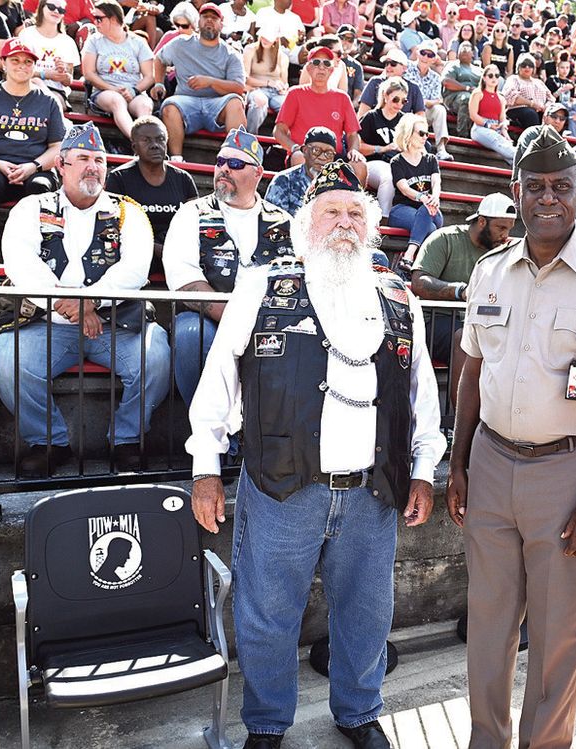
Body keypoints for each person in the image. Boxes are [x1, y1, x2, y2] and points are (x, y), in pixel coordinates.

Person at [188, 160, 446, 749]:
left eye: (356, 212)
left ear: (373, 226)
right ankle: (267, 724)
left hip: (373, 493)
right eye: (330, 211)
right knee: (266, 615)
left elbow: (420, 397)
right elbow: (218, 381)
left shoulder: (400, 298)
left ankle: (358, 713)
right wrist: (206, 468)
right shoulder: (261, 286)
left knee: (366, 615)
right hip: (282, 488)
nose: (344, 222)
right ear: (306, 225)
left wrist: (424, 471)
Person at [446, 126, 576, 749]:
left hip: (571, 471)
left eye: (560, 186)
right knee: (487, 624)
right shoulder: (489, 271)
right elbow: (470, 374)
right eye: (534, 186)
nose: (547, 198)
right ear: (515, 191)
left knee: (560, 632)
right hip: (489, 463)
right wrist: (457, 464)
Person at [0, 123, 170, 477]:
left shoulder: (127, 212)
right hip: (44, 321)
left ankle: (127, 439)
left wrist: (91, 304)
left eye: (99, 160)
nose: (93, 166)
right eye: (83, 158)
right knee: (8, 361)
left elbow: (134, 269)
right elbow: (22, 265)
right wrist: (65, 304)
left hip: (115, 321)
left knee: (157, 354)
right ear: (61, 164)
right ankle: (49, 443)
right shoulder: (30, 208)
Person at [164, 128, 293, 406]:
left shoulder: (283, 221)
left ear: (258, 174)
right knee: (191, 337)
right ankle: (205, 431)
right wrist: (236, 320)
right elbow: (184, 279)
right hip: (209, 319)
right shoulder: (192, 213)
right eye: (220, 162)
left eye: (235, 164)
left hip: (269, 319)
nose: (224, 169)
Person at [411, 192, 516, 408]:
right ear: (481, 221)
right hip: (437, 321)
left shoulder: (503, 252)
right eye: (501, 228)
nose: (505, 235)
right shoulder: (445, 238)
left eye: (509, 229)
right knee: (464, 337)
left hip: (481, 322)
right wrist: (461, 291)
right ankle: (459, 420)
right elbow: (419, 283)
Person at [0, 38, 65, 243]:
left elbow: (58, 146)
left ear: (35, 66)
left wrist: (33, 166)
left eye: (28, 62)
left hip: (37, 168)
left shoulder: (48, 100)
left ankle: (39, 253)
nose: (22, 65)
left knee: (39, 187)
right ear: (3, 63)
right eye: (15, 60)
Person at [152, 3, 245, 160]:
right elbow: (159, 59)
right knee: (169, 105)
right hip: (186, 101)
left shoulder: (231, 54)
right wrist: (159, 83)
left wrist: (210, 82)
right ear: (198, 22)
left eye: (214, 18)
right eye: (205, 17)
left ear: (221, 24)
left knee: (236, 102)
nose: (209, 20)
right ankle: (176, 159)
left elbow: (238, 88)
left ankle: (235, 158)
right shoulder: (180, 43)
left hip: (217, 104)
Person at [104, 115, 198, 268]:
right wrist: (155, 248)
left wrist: (172, 250)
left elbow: (193, 224)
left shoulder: (183, 179)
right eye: (146, 140)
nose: (155, 145)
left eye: (160, 139)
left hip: (176, 252)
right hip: (133, 252)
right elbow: (113, 226)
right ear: (134, 147)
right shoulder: (119, 178)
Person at [275, 46, 366, 183]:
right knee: (300, 157)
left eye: (327, 63)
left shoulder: (342, 98)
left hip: (334, 157)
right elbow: (279, 131)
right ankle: (304, 203)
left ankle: (354, 204)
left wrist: (354, 150)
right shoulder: (295, 94)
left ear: (331, 70)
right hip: (305, 154)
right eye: (317, 63)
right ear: (309, 68)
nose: (322, 67)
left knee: (360, 165)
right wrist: (294, 148)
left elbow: (352, 134)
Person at [82, 1, 155, 140]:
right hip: (105, 91)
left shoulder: (138, 42)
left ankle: (145, 140)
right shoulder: (94, 41)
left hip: (134, 91)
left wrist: (134, 90)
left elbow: (149, 76)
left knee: (145, 106)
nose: (95, 22)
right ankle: (138, 141)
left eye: (99, 19)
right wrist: (112, 88)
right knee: (117, 100)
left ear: (114, 19)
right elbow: (88, 73)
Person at [389, 113, 443, 268]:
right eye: (421, 133)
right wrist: (422, 197)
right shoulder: (397, 162)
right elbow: (404, 189)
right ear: (408, 134)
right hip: (402, 210)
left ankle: (408, 255)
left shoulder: (431, 159)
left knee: (427, 212)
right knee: (431, 228)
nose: (425, 137)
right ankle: (416, 259)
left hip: (430, 210)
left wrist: (435, 197)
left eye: (427, 133)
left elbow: (436, 182)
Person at [17, 0, 81, 112]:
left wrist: (63, 74)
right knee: (36, 82)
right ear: (42, 7)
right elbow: (19, 70)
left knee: (48, 99)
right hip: (26, 86)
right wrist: (45, 74)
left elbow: (68, 81)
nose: (56, 11)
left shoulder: (67, 42)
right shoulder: (27, 34)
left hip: (56, 91)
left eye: (61, 10)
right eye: (51, 7)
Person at [356, 80, 407, 217]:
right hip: (374, 163)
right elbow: (357, 147)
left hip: (399, 164)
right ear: (385, 96)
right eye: (395, 99)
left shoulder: (405, 121)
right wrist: (383, 148)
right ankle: (383, 217)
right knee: (388, 176)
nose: (399, 105)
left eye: (404, 101)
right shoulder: (371, 117)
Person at [266, 126, 336, 215]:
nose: (322, 157)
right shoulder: (285, 180)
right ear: (305, 150)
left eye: (329, 153)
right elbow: (273, 220)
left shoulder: (338, 184)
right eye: (316, 150)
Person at [404, 40, 452, 161]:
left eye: (430, 55)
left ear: (434, 59)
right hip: (405, 109)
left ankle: (441, 149)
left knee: (440, 110)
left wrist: (422, 102)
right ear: (418, 53)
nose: (425, 57)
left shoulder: (436, 77)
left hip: (424, 112)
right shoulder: (406, 67)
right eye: (423, 53)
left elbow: (436, 101)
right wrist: (426, 101)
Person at [242, 25, 289, 133]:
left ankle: (285, 141)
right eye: (263, 36)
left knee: (287, 106)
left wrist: (283, 87)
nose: (264, 40)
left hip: (276, 92)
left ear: (276, 39)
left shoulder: (282, 56)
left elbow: (284, 81)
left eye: (268, 38)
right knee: (259, 102)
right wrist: (268, 83)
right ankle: (249, 136)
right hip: (256, 88)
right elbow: (245, 78)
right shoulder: (250, 49)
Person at [466, 64, 515, 166]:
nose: (494, 78)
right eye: (490, 75)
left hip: (496, 129)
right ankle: (521, 156)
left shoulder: (501, 97)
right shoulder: (478, 93)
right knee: (497, 140)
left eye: (497, 76)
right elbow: (473, 115)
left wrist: (506, 135)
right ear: (484, 78)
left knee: (509, 155)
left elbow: (502, 120)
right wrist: (488, 125)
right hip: (480, 128)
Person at [358, 48, 425, 119]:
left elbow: (420, 115)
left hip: (401, 127)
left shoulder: (413, 88)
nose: (388, 67)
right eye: (386, 63)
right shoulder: (375, 82)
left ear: (404, 67)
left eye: (393, 64)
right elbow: (363, 112)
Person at [443, 42, 483, 138]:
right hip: (454, 97)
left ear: (473, 53)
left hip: (477, 96)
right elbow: (446, 82)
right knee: (467, 98)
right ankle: (463, 134)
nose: (464, 50)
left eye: (467, 48)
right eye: (462, 48)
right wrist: (467, 88)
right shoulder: (453, 65)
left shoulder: (479, 70)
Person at [502, 54, 552, 130]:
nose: (527, 67)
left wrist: (546, 107)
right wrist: (532, 104)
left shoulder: (539, 82)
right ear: (518, 67)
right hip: (518, 111)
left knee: (554, 115)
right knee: (531, 113)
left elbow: (550, 98)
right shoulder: (514, 79)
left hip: (540, 110)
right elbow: (510, 96)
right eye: (524, 65)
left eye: (530, 65)